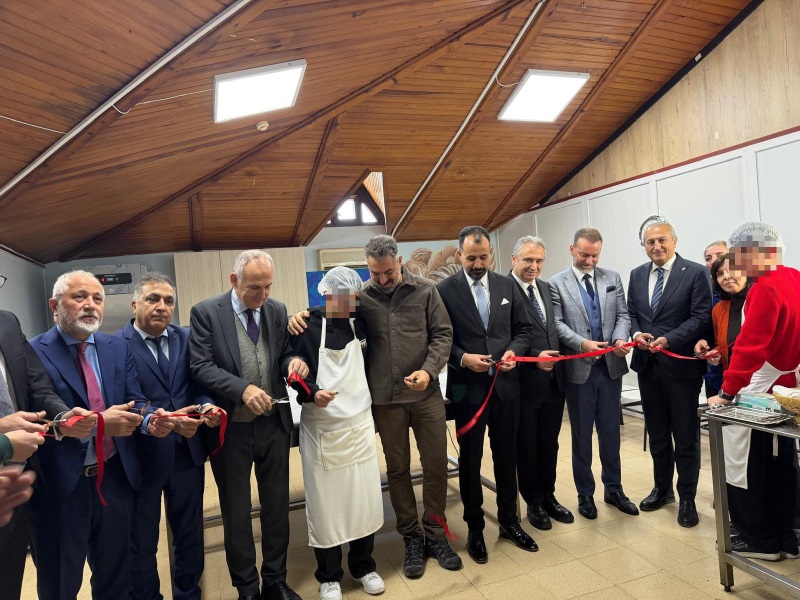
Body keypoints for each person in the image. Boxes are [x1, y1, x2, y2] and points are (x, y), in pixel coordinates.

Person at [289, 235, 459, 580]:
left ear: (399, 262)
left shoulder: (426, 291)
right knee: (397, 470)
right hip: (385, 401)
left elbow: (443, 334)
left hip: (425, 396)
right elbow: (327, 314)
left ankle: (436, 534)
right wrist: (300, 315)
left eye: (387, 273)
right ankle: (411, 538)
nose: (381, 279)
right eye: (374, 273)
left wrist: (429, 372)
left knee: (435, 466)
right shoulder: (361, 296)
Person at [29, 270, 174, 600]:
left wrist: (149, 420)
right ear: (54, 305)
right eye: (79, 297)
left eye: (97, 298)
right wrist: (98, 423)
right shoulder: (34, 351)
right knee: (60, 585)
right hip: (61, 487)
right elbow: (40, 408)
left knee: (115, 580)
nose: (90, 305)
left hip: (114, 480)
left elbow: (135, 399)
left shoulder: (115, 347)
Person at [189, 250, 308, 600]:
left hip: (274, 425)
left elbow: (283, 354)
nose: (263, 294)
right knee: (237, 510)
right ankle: (247, 588)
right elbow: (201, 366)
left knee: (276, 505)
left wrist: (294, 363)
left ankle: (275, 580)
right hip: (231, 430)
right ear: (234, 280)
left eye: (268, 286)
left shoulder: (277, 310)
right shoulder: (206, 313)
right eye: (255, 287)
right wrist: (242, 389)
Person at [117, 273, 222, 600]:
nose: (162, 306)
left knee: (189, 533)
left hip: (187, 454)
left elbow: (199, 384)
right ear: (135, 305)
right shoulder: (116, 346)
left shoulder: (186, 338)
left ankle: (188, 593)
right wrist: (167, 421)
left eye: (168, 301)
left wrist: (205, 407)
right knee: (142, 539)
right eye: (153, 299)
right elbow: (128, 397)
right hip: (143, 456)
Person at [436, 226, 536, 563]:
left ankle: (510, 521)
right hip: (465, 386)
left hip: (506, 386)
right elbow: (439, 337)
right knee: (470, 459)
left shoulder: (507, 285)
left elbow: (523, 329)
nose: (478, 264)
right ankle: (475, 528)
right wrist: (463, 358)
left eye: (483, 257)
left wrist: (514, 351)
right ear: (459, 255)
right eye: (471, 258)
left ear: (491, 254)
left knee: (507, 456)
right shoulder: (444, 291)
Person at [290, 267, 385, 600]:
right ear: (327, 294)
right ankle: (329, 576)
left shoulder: (362, 322)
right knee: (326, 504)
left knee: (362, 498)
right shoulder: (306, 325)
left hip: (358, 425)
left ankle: (364, 566)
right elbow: (291, 367)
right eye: (342, 297)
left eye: (353, 297)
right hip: (323, 427)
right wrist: (312, 391)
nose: (349, 303)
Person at [707, 222, 800, 561]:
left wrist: (727, 392)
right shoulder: (794, 276)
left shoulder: (764, 288)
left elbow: (751, 347)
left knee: (741, 462)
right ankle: (787, 534)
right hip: (786, 387)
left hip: (757, 389)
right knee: (782, 463)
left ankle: (757, 538)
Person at [0, 301, 96, 600]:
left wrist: (62, 417)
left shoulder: (7, 322)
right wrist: (3, 441)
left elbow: (37, 386)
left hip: (17, 486)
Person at [627, 216, 711, 528]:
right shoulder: (637, 274)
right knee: (658, 434)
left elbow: (700, 317)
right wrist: (637, 334)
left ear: (674, 241)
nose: (657, 246)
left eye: (662, 240)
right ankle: (662, 489)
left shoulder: (696, 272)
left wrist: (669, 339)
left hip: (681, 368)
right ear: (644, 246)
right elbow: (632, 313)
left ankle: (687, 497)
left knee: (685, 436)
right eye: (650, 242)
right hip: (647, 367)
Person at [548, 228, 638, 520]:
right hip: (579, 372)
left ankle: (614, 489)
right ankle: (585, 494)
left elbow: (623, 315)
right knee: (582, 435)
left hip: (610, 369)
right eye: (584, 254)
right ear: (571, 249)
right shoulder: (555, 283)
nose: (589, 260)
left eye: (595, 255)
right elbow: (557, 324)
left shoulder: (612, 278)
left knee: (611, 433)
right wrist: (581, 343)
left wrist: (621, 338)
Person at [507, 235, 573, 530]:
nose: (533, 266)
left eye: (539, 261)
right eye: (528, 260)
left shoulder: (545, 288)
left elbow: (552, 329)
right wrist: (535, 357)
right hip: (523, 383)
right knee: (527, 445)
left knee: (549, 443)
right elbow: (502, 337)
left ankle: (549, 495)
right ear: (514, 259)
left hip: (553, 382)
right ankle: (533, 500)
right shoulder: (503, 290)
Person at [702, 240, 728, 398]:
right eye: (708, 258)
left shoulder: (751, 294)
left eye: (720, 255)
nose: (713, 261)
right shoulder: (703, 291)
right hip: (713, 368)